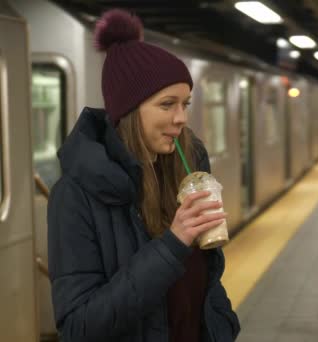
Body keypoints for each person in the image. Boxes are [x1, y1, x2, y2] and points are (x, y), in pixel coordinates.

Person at [47, 9, 239, 342]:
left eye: (185, 103)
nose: (181, 118)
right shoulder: (74, 196)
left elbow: (207, 280)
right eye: (167, 104)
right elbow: (78, 327)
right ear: (129, 111)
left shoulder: (186, 166)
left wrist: (222, 323)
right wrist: (172, 245)